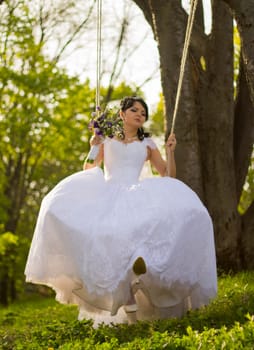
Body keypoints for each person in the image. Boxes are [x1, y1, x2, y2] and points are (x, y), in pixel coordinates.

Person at [25, 96, 217, 326]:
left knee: (148, 229)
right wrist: (93, 147)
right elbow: (89, 168)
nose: (139, 114)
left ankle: (141, 271)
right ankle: (128, 298)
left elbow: (168, 175)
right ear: (122, 114)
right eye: (134, 110)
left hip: (137, 193)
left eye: (143, 113)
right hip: (109, 194)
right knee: (108, 239)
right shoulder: (106, 139)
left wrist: (171, 151)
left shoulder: (148, 144)